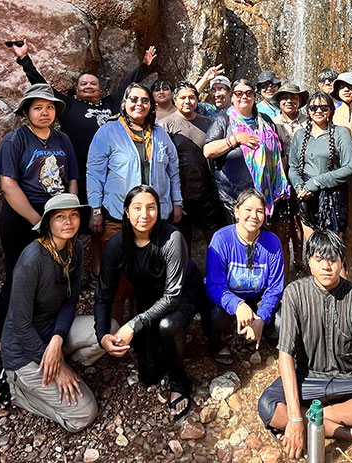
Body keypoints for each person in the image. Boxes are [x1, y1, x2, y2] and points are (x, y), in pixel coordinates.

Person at [257, 230, 352, 461]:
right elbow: (285, 355)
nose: (326, 266)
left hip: (349, 379)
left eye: (333, 259)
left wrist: (298, 420)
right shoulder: (295, 293)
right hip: (308, 377)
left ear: (342, 261)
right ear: (308, 263)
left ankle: (316, 418)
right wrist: (294, 417)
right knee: (267, 406)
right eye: (319, 259)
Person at [94, 185, 207, 420]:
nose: (144, 215)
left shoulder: (171, 238)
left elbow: (173, 295)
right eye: (137, 208)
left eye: (151, 207)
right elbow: (103, 293)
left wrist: (134, 323)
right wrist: (102, 334)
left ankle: (180, 382)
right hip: (149, 294)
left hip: (183, 292)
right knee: (150, 374)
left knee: (168, 326)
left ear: (159, 210)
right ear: (126, 211)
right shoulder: (117, 244)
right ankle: (160, 348)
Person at [0, 193, 105, 432]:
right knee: (84, 415)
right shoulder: (32, 260)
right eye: (60, 217)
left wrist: (57, 340)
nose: (68, 222)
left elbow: (70, 302)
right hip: (23, 351)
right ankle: (18, 390)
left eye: (74, 215)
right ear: (47, 223)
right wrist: (57, 370)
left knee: (107, 329)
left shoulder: (75, 248)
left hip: (51, 334)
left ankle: (57, 364)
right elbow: (21, 325)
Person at [9, 37, 156, 205]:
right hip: (81, 172)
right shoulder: (69, 106)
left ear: (100, 89)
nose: (88, 86)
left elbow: (129, 84)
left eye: (93, 83)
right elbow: (42, 86)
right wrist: (24, 59)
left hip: (115, 171)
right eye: (83, 84)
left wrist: (145, 64)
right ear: (77, 90)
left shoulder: (112, 103)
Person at [0, 83, 79, 361]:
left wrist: (70, 212)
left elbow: (73, 179)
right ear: (27, 111)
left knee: (55, 274)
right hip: (22, 217)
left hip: (56, 216)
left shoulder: (63, 140)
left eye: (50, 107)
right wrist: (36, 220)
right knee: (17, 278)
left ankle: (46, 333)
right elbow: (8, 185)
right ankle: (4, 342)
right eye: (38, 107)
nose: (45, 112)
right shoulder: (14, 140)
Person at [86, 82, 183, 275]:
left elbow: (173, 170)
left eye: (145, 100)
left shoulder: (160, 134)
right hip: (118, 216)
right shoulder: (108, 132)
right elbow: (94, 173)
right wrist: (95, 209)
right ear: (124, 103)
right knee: (117, 277)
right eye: (134, 99)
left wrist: (177, 202)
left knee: (149, 274)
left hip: (153, 217)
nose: (140, 104)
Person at [205, 189, 284, 365]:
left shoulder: (272, 243)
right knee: (215, 315)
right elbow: (214, 285)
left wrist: (262, 317)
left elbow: (275, 287)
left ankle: (261, 333)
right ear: (236, 211)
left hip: (257, 298)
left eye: (259, 211)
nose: (254, 216)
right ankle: (220, 343)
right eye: (248, 210)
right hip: (228, 297)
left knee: (281, 322)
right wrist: (237, 305)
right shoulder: (221, 239)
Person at [203, 79, 289, 218]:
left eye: (249, 93)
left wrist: (277, 185)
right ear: (232, 96)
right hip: (232, 198)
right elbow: (208, 150)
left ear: (254, 97)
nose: (244, 96)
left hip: (263, 197)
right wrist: (235, 139)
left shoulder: (266, 121)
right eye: (239, 93)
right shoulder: (224, 120)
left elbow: (280, 156)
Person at [160, 82, 224, 247]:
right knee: (181, 244)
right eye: (183, 98)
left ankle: (215, 272)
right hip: (180, 194)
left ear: (197, 100)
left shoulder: (208, 122)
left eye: (191, 97)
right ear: (175, 101)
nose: (187, 101)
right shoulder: (165, 125)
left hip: (207, 193)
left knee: (215, 241)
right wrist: (174, 200)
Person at [287, 91, 352, 242]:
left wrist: (317, 182)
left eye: (324, 107)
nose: (318, 111)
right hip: (306, 196)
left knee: (332, 246)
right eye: (314, 108)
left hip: (333, 195)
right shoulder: (299, 135)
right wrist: (299, 186)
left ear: (331, 110)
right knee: (312, 247)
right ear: (308, 110)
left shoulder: (341, 133)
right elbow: (292, 167)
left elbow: (350, 167)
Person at [271, 83, 310, 279]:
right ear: (279, 102)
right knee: (284, 227)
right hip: (283, 182)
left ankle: (301, 261)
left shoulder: (310, 120)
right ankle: (285, 274)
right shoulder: (273, 123)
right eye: (284, 97)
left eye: (293, 97)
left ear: (300, 101)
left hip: (307, 180)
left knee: (304, 224)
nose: (289, 101)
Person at [331, 71, 352, 283]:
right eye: (341, 86)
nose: (345, 89)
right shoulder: (335, 114)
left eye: (349, 85)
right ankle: (348, 276)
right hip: (344, 175)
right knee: (348, 224)